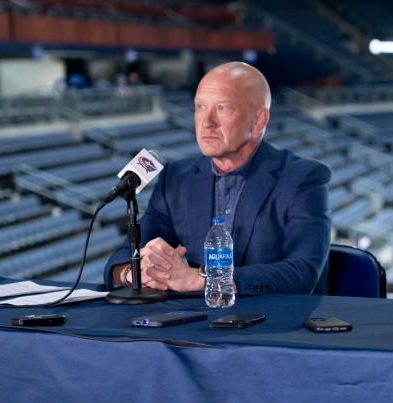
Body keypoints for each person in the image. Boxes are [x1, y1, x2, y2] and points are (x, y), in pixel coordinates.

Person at [104, 62, 331, 296]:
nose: (206, 122)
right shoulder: (176, 178)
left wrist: (199, 279)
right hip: (192, 325)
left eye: (223, 108)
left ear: (259, 120)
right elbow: (125, 256)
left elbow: (303, 273)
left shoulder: (303, 178)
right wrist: (133, 273)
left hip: (276, 326)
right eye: (200, 107)